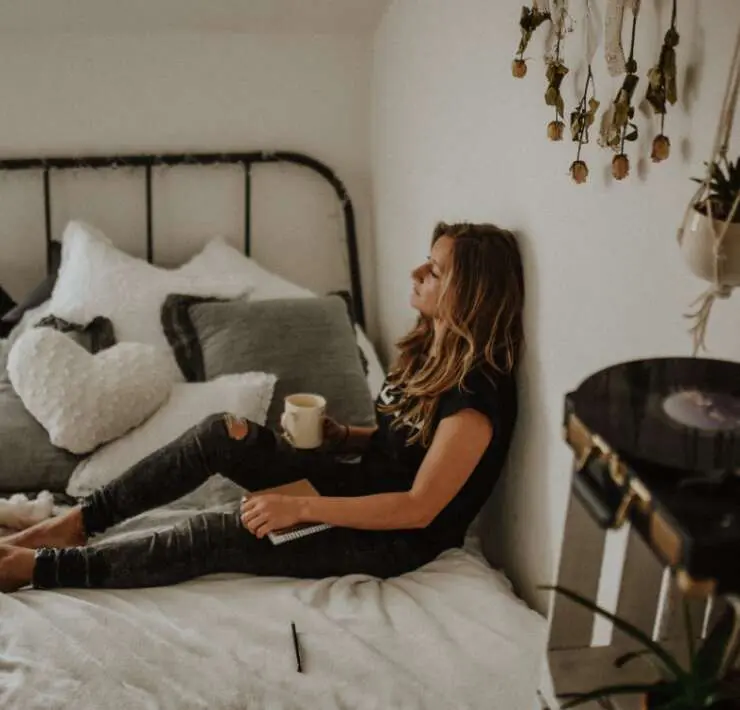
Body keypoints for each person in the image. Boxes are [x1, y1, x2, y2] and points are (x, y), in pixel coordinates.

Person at [0, 221, 524, 592]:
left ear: (470, 293)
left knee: (222, 533)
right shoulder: (428, 350)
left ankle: (37, 568)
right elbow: (408, 442)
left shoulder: (476, 397)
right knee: (221, 433)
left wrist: (299, 508)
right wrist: (347, 436)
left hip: (389, 538)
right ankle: (78, 522)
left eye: (435, 270)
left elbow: (418, 507)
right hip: (357, 487)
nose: (417, 271)